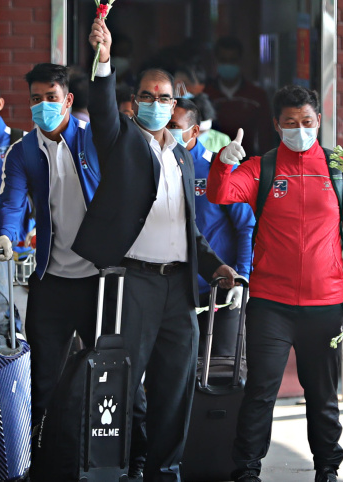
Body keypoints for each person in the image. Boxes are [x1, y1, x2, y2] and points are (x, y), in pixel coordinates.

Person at [76, 18, 237, 481]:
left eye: (164, 98)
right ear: (134, 103)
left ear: (174, 103)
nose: (155, 104)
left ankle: (165, 470)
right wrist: (103, 59)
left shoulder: (183, 155)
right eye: (146, 96)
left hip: (179, 289)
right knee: (123, 384)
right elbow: (102, 109)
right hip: (135, 283)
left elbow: (190, 229)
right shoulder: (122, 141)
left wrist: (217, 266)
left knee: (176, 388)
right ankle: (124, 466)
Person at [206, 84, 343, 482]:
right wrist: (223, 162)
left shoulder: (340, 172)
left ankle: (327, 468)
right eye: (290, 123)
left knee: (322, 395)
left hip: (324, 305)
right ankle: (246, 469)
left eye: (306, 121)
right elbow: (219, 194)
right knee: (260, 392)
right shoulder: (262, 168)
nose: (299, 129)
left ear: (318, 121)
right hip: (271, 304)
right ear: (276, 125)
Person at [0, 62, 102, 441]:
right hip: (50, 278)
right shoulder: (22, 151)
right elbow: (12, 203)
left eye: (51, 97)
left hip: (99, 279)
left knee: (112, 368)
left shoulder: (94, 139)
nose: (43, 106)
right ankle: (43, 452)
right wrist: (5, 236)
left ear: (68, 100)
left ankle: (126, 456)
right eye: (36, 99)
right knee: (43, 375)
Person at [168, 97, 253, 356]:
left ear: (194, 130)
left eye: (174, 125)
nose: (167, 131)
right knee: (177, 367)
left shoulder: (219, 167)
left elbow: (246, 226)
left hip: (221, 288)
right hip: (174, 291)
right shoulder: (156, 166)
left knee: (221, 367)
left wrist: (242, 278)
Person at [204, 36, 275, 157]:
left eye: (232, 60)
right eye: (223, 60)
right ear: (216, 62)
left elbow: (266, 135)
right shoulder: (206, 94)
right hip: (213, 161)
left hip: (248, 160)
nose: (228, 64)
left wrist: (265, 163)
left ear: (240, 62)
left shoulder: (257, 96)